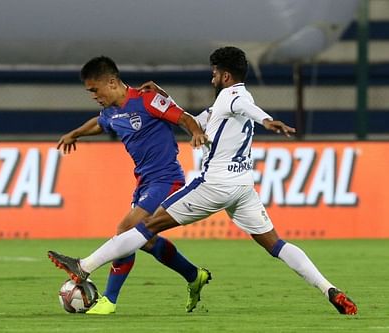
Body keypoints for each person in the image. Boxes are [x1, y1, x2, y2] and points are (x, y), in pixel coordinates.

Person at [47, 47, 358, 315]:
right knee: (276, 245)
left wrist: (266, 120)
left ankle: (84, 266)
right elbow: (197, 120)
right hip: (242, 188)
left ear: (224, 76)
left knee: (140, 229)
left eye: (214, 73)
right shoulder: (223, 105)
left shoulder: (231, 98)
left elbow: (243, 107)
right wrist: (167, 102)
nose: (211, 78)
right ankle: (329, 289)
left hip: (214, 186)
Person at [52, 56, 210, 314]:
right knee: (145, 241)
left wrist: (195, 132)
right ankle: (194, 275)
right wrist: (75, 133)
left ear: (112, 82)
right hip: (144, 182)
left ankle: (109, 300)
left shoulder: (147, 100)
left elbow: (182, 117)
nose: (93, 95)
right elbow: (99, 123)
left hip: (166, 178)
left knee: (126, 230)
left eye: (95, 89)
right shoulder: (111, 112)